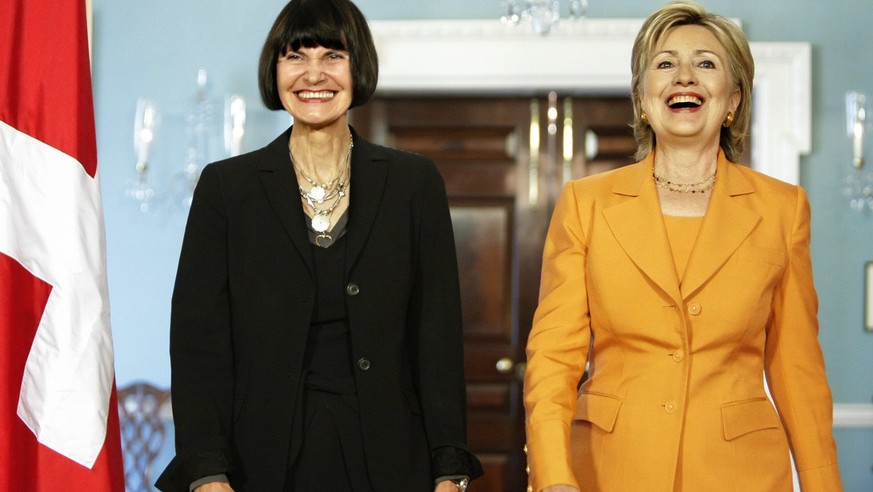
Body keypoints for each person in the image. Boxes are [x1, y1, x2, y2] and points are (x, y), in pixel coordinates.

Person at [154, 0, 483, 490]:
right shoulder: (227, 189)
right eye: (296, 56)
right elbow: (198, 344)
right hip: (259, 461)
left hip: (391, 458)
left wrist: (450, 469)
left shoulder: (415, 184)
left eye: (333, 55)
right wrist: (206, 473)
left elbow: (436, 335)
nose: (313, 74)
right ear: (275, 69)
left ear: (359, 67)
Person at [522, 2, 842, 491]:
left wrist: (823, 485)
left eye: (706, 63)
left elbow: (798, 370)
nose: (684, 77)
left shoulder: (784, 209)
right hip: (610, 470)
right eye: (666, 63)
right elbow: (553, 359)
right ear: (643, 98)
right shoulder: (586, 203)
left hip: (742, 475)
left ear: (732, 99)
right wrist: (552, 477)